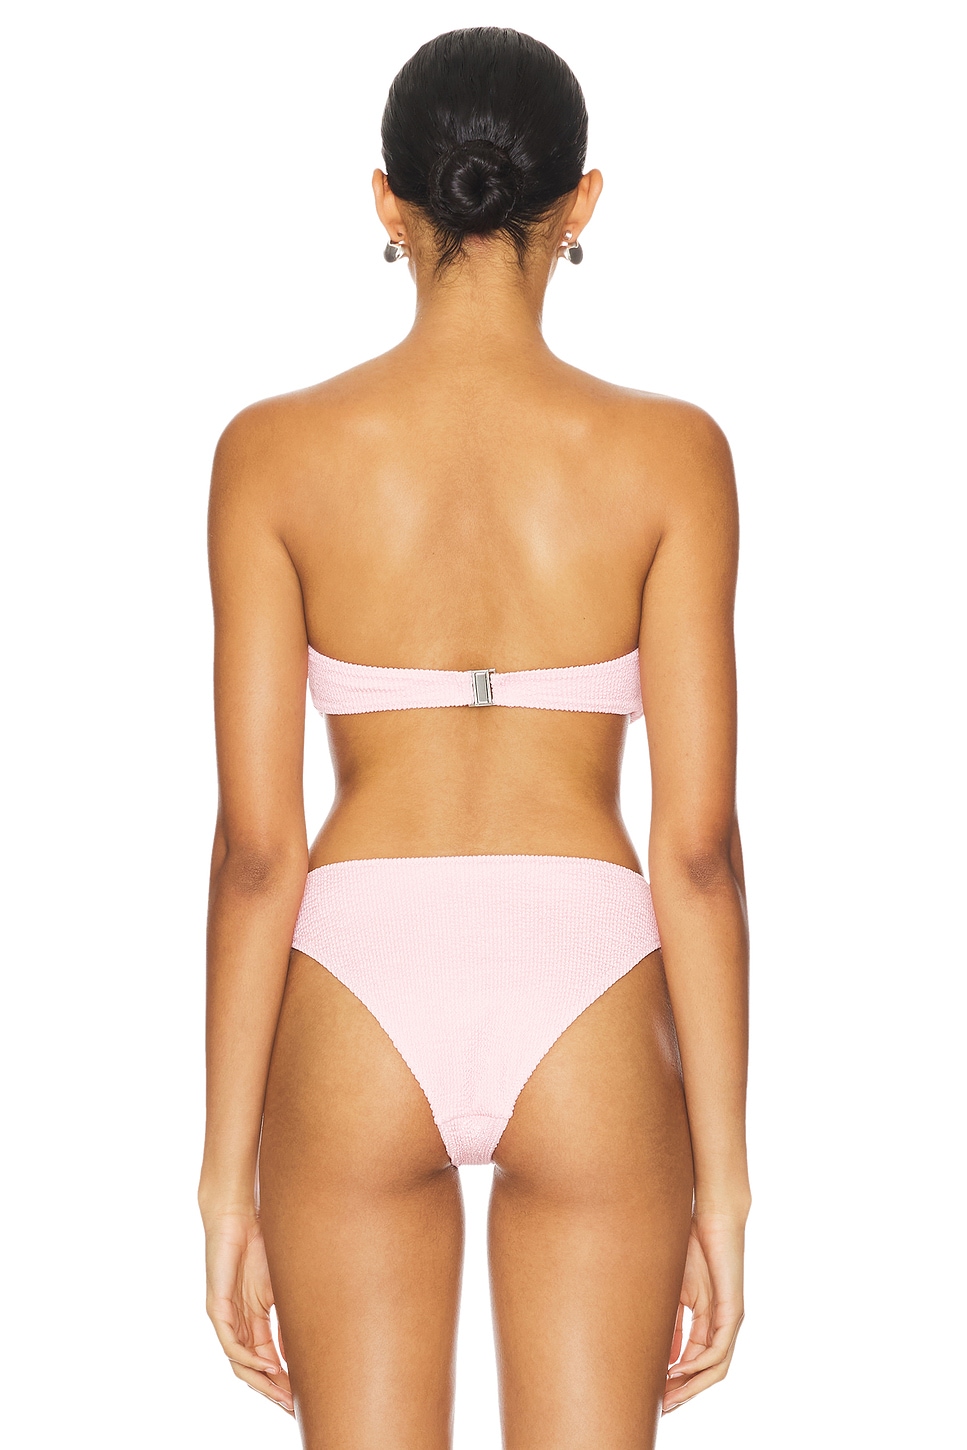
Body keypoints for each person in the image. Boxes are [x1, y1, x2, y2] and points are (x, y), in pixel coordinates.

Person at [198, 26, 750, 1449]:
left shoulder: (270, 453)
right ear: (583, 201)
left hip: (354, 989)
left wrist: (221, 1182)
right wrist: (727, 1188)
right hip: (592, 989)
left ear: (386, 199)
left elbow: (256, 854)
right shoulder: (675, 455)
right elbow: (697, 854)